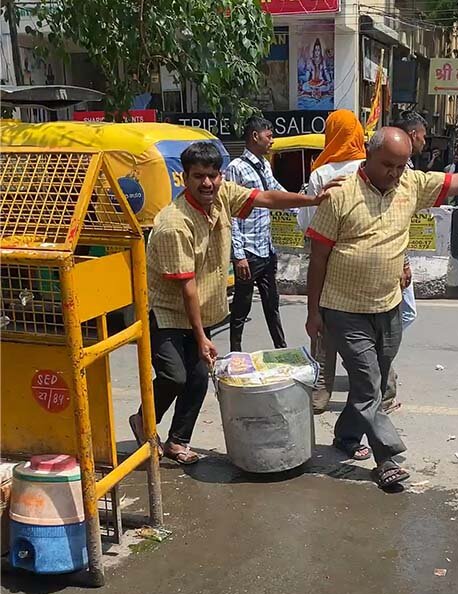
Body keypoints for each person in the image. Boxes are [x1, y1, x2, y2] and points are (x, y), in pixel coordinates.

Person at [303, 128, 458, 489]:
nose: (394, 173)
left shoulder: (411, 184)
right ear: (368, 155)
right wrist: (313, 311)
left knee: (375, 383)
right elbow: (318, 257)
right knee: (368, 383)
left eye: (400, 166)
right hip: (343, 308)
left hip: (388, 305)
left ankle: (347, 437)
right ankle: (387, 458)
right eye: (387, 165)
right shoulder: (340, 194)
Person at [128, 142, 339, 465]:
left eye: (212, 175)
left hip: (203, 308)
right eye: (199, 176)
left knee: (199, 378)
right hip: (167, 311)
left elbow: (265, 198)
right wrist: (202, 338)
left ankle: (177, 441)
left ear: (221, 176)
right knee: (175, 376)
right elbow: (186, 289)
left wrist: (312, 199)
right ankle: (143, 422)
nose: (207, 183)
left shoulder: (223, 195)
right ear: (185, 178)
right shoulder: (174, 224)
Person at [298, 109, 368, 414]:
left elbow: (308, 223)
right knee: (369, 325)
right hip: (367, 258)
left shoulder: (321, 174)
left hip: (327, 260)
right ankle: (382, 390)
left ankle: (321, 391)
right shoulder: (371, 167)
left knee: (323, 324)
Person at [224, 116, 289, 353]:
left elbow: (275, 191)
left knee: (272, 304)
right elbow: (231, 214)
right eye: (269, 136)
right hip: (248, 252)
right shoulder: (235, 168)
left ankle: (281, 350)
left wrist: (303, 203)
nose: (272, 140)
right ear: (255, 136)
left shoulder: (265, 165)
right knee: (241, 308)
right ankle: (235, 354)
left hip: (266, 249)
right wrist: (238, 256)